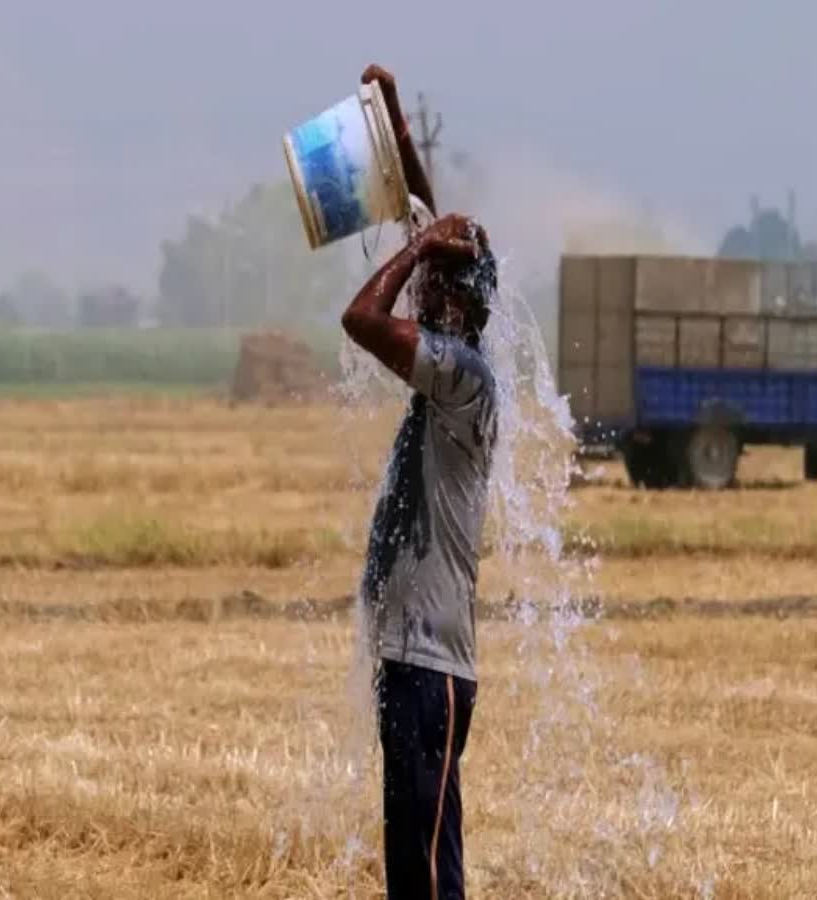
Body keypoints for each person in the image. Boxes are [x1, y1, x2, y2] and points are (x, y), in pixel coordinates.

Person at [341, 63, 498, 900]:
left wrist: (413, 249)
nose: (422, 292)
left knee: (429, 883)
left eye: (436, 284)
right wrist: (395, 119)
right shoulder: (454, 366)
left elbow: (361, 320)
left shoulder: (464, 376)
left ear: (458, 310)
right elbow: (426, 218)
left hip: (432, 672)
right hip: (412, 664)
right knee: (416, 876)